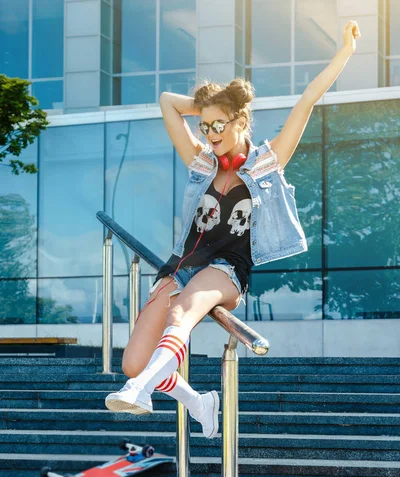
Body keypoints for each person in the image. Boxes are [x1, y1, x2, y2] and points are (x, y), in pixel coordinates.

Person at [105, 20, 361, 438]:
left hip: (226, 269)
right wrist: (211, 106)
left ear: (241, 122)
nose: (210, 134)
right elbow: (168, 102)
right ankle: (197, 401)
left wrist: (345, 53)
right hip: (180, 267)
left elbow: (309, 99)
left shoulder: (265, 163)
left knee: (181, 313)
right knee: (134, 360)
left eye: (219, 125)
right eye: (205, 127)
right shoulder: (202, 163)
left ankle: (140, 389)